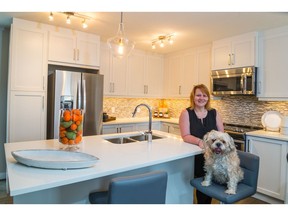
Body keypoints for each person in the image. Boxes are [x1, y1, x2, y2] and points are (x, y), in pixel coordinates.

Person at [179, 84, 224, 204]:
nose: (201, 98)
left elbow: (221, 134)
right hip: (195, 156)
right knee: (202, 185)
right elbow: (185, 136)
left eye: (204, 95)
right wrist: (200, 142)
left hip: (213, 156)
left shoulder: (214, 113)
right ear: (193, 97)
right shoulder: (186, 113)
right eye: (198, 95)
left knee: (209, 185)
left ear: (208, 98)